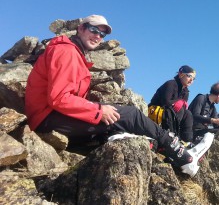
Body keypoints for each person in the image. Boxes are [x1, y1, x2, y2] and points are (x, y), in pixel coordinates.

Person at [24, 14, 201, 176]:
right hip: (47, 118)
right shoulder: (67, 52)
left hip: (50, 117)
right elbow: (59, 98)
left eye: (102, 34)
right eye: (94, 30)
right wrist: (99, 110)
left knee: (116, 120)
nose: (98, 36)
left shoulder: (75, 54)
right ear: (81, 29)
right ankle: (179, 152)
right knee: (130, 114)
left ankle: (157, 148)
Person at [149, 65, 195, 144]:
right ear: (181, 74)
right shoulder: (171, 84)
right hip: (156, 112)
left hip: (170, 116)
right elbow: (165, 102)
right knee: (178, 109)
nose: (191, 80)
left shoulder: (185, 92)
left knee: (188, 113)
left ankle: (186, 140)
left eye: (193, 78)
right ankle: (170, 137)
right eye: (189, 76)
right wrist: (179, 101)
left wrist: (180, 103)